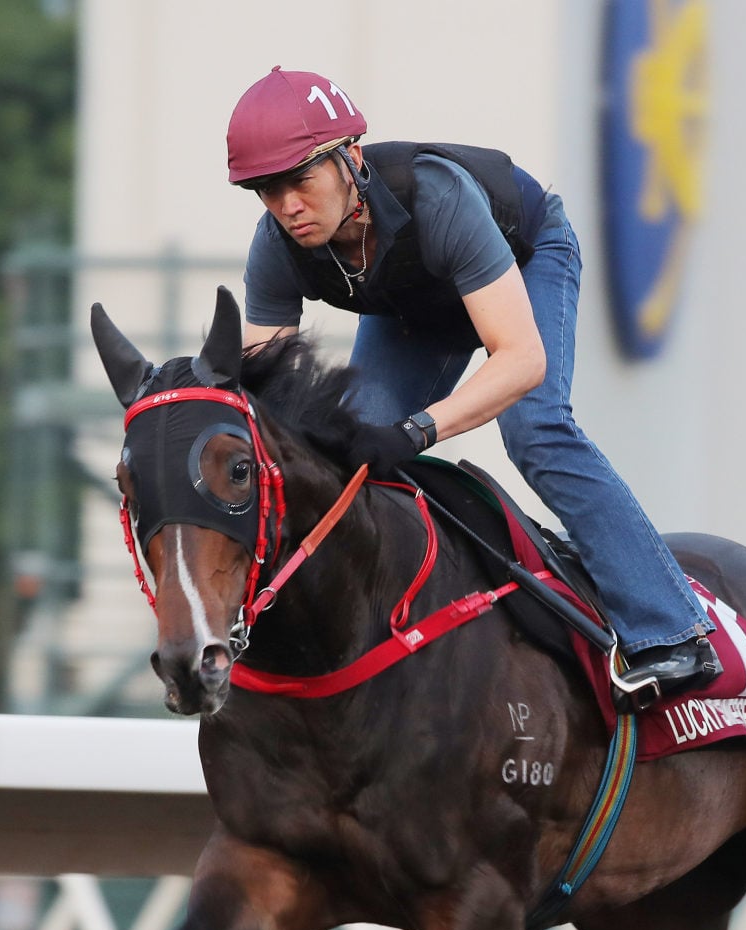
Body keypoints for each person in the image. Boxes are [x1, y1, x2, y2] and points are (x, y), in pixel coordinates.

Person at [226, 65, 718, 706]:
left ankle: (671, 631)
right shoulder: (274, 245)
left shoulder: (438, 197)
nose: (287, 207)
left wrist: (419, 429)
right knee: (347, 452)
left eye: (300, 181)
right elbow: (269, 399)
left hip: (525, 257)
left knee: (534, 427)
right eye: (267, 190)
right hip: (419, 308)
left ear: (350, 158)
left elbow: (520, 362)